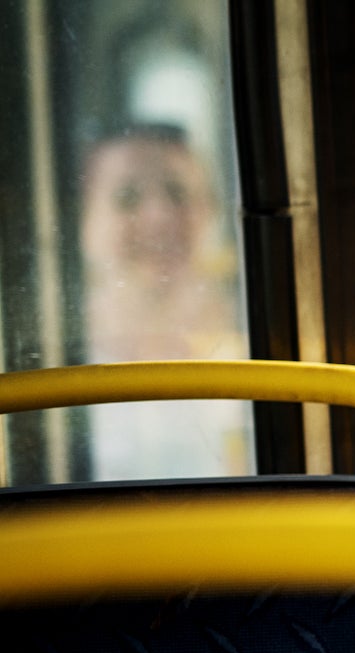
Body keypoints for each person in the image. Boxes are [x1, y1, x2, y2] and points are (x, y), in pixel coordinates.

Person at [77, 122, 250, 479]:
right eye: (127, 198)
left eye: (177, 193)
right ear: (84, 222)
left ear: (211, 210)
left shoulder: (259, 338)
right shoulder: (52, 355)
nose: (158, 217)